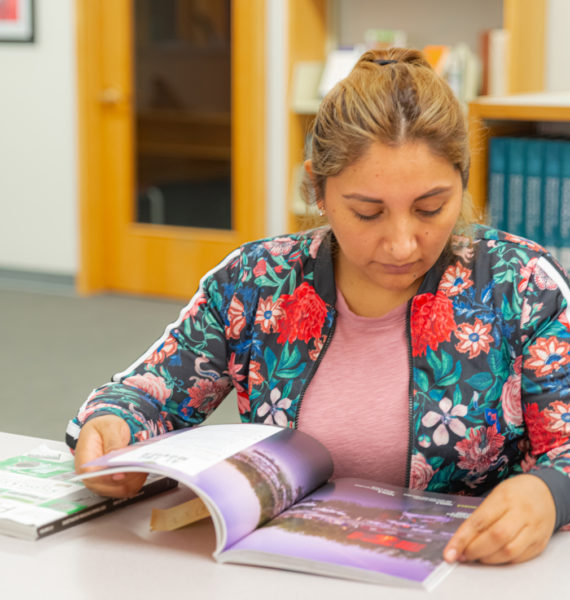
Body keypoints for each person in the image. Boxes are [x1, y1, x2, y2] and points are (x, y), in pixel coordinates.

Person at [68, 48, 570, 565]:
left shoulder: (521, 285)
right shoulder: (257, 281)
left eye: (430, 208)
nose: (402, 244)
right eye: (367, 213)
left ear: (463, 181)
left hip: (463, 573)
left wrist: (548, 495)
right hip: (282, 571)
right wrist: (114, 425)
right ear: (317, 189)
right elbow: (149, 393)